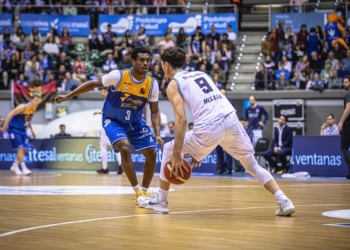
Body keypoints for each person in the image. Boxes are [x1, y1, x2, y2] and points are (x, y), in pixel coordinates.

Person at [137, 47, 295, 216]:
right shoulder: (202, 74)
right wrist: (199, 153)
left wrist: (177, 153)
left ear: (166, 65)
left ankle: (161, 201)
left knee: (169, 149)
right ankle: (284, 200)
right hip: (230, 118)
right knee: (252, 165)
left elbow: (182, 120)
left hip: (209, 125)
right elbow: (215, 115)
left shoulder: (173, 84)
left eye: (162, 65)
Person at [54, 47, 164, 201]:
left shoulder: (152, 84)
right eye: (141, 60)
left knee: (152, 153)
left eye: (148, 60)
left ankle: (145, 191)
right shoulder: (118, 76)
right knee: (124, 148)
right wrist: (68, 96)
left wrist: (158, 133)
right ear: (133, 61)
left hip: (135, 122)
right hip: (113, 120)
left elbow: (154, 111)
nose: (146, 63)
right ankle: (137, 191)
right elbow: (93, 83)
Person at [1, 94, 41, 175]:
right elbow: (10, 114)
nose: (38, 102)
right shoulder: (23, 107)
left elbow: (28, 119)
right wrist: (5, 126)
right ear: (31, 100)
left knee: (24, 149)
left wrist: (32, 130)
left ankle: (15, 166)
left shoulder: (34, 108)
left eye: (38, 100)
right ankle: (24, 168)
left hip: (23, 130)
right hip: (14, 129)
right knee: (20, 148)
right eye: (36, 100)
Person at [94, 88, 123, 174]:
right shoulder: (111, 101)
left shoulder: (110, 100)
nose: (102, 93)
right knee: (113, 147)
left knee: (106, 147)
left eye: (104, 92)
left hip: (107, 126)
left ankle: (107, 167)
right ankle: (120, 165)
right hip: (110, 126)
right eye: (102, 92)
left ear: (108, 92)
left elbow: (110, 112)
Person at [338, 76, 350, 179]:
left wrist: (341, 122)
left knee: (344, 146)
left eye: (345, 82)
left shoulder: (348, 93)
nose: (343, 84)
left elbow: (348, 108)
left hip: (349, 123)